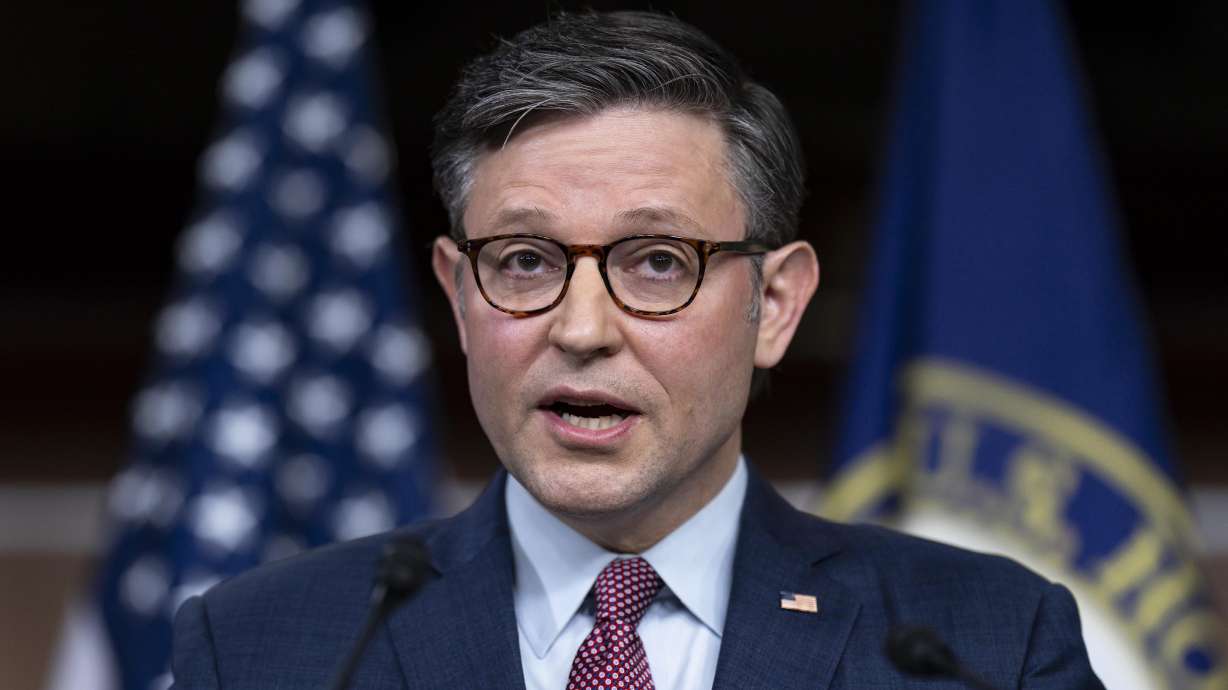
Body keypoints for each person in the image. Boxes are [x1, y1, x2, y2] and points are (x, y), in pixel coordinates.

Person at [171, 10, 1102, 689]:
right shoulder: (269, 647)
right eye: (526, 261)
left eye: (658, 263)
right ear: (459, 296)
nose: (580, 329)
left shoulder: (983, 644)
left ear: (774, 304)